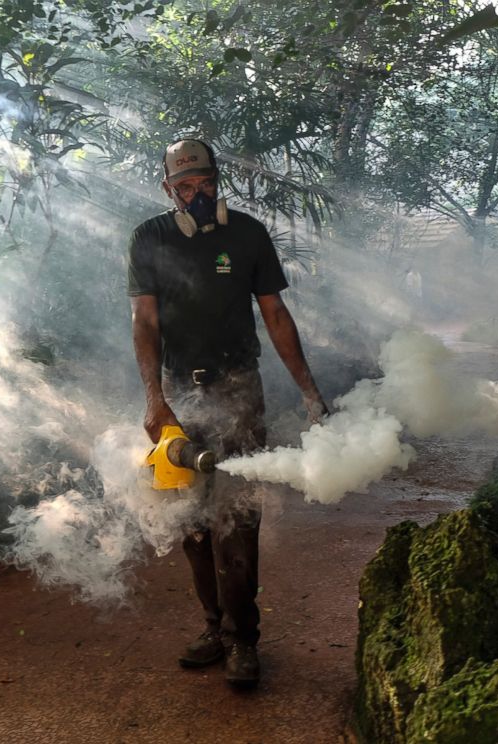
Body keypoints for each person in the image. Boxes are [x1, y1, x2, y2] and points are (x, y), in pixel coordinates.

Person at [127, 138, 328, 688]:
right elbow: (145, 323)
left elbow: (276, 314)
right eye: (185, 186)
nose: (196, 194)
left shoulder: (248, 235)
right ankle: (214, 628)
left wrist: (309, 391)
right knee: (190, 522)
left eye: (205, 183)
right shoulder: (150, 238)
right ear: (169, 189)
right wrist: (154, 398)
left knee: (235, 518)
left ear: (219, 181)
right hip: (177, 397)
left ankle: (244, 640)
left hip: (239, 390)